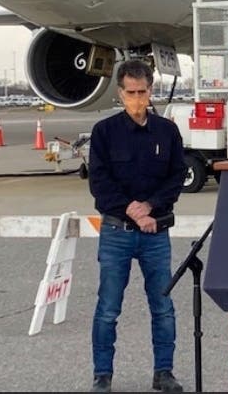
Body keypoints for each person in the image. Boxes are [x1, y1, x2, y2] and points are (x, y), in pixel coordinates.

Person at [88, 60, 187, 393]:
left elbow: (176, 178)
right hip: (117, 232)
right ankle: (102, 375)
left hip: (155, 234)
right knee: (108, 308)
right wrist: (132, 209)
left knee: (163, 306)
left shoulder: (167, 132)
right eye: (130, 93)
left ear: (151, 90)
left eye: (142, 92)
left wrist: (150, 207)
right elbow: (100, 183)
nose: (136, 99)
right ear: (120, 93)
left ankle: (164, 372)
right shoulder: (104, 132)